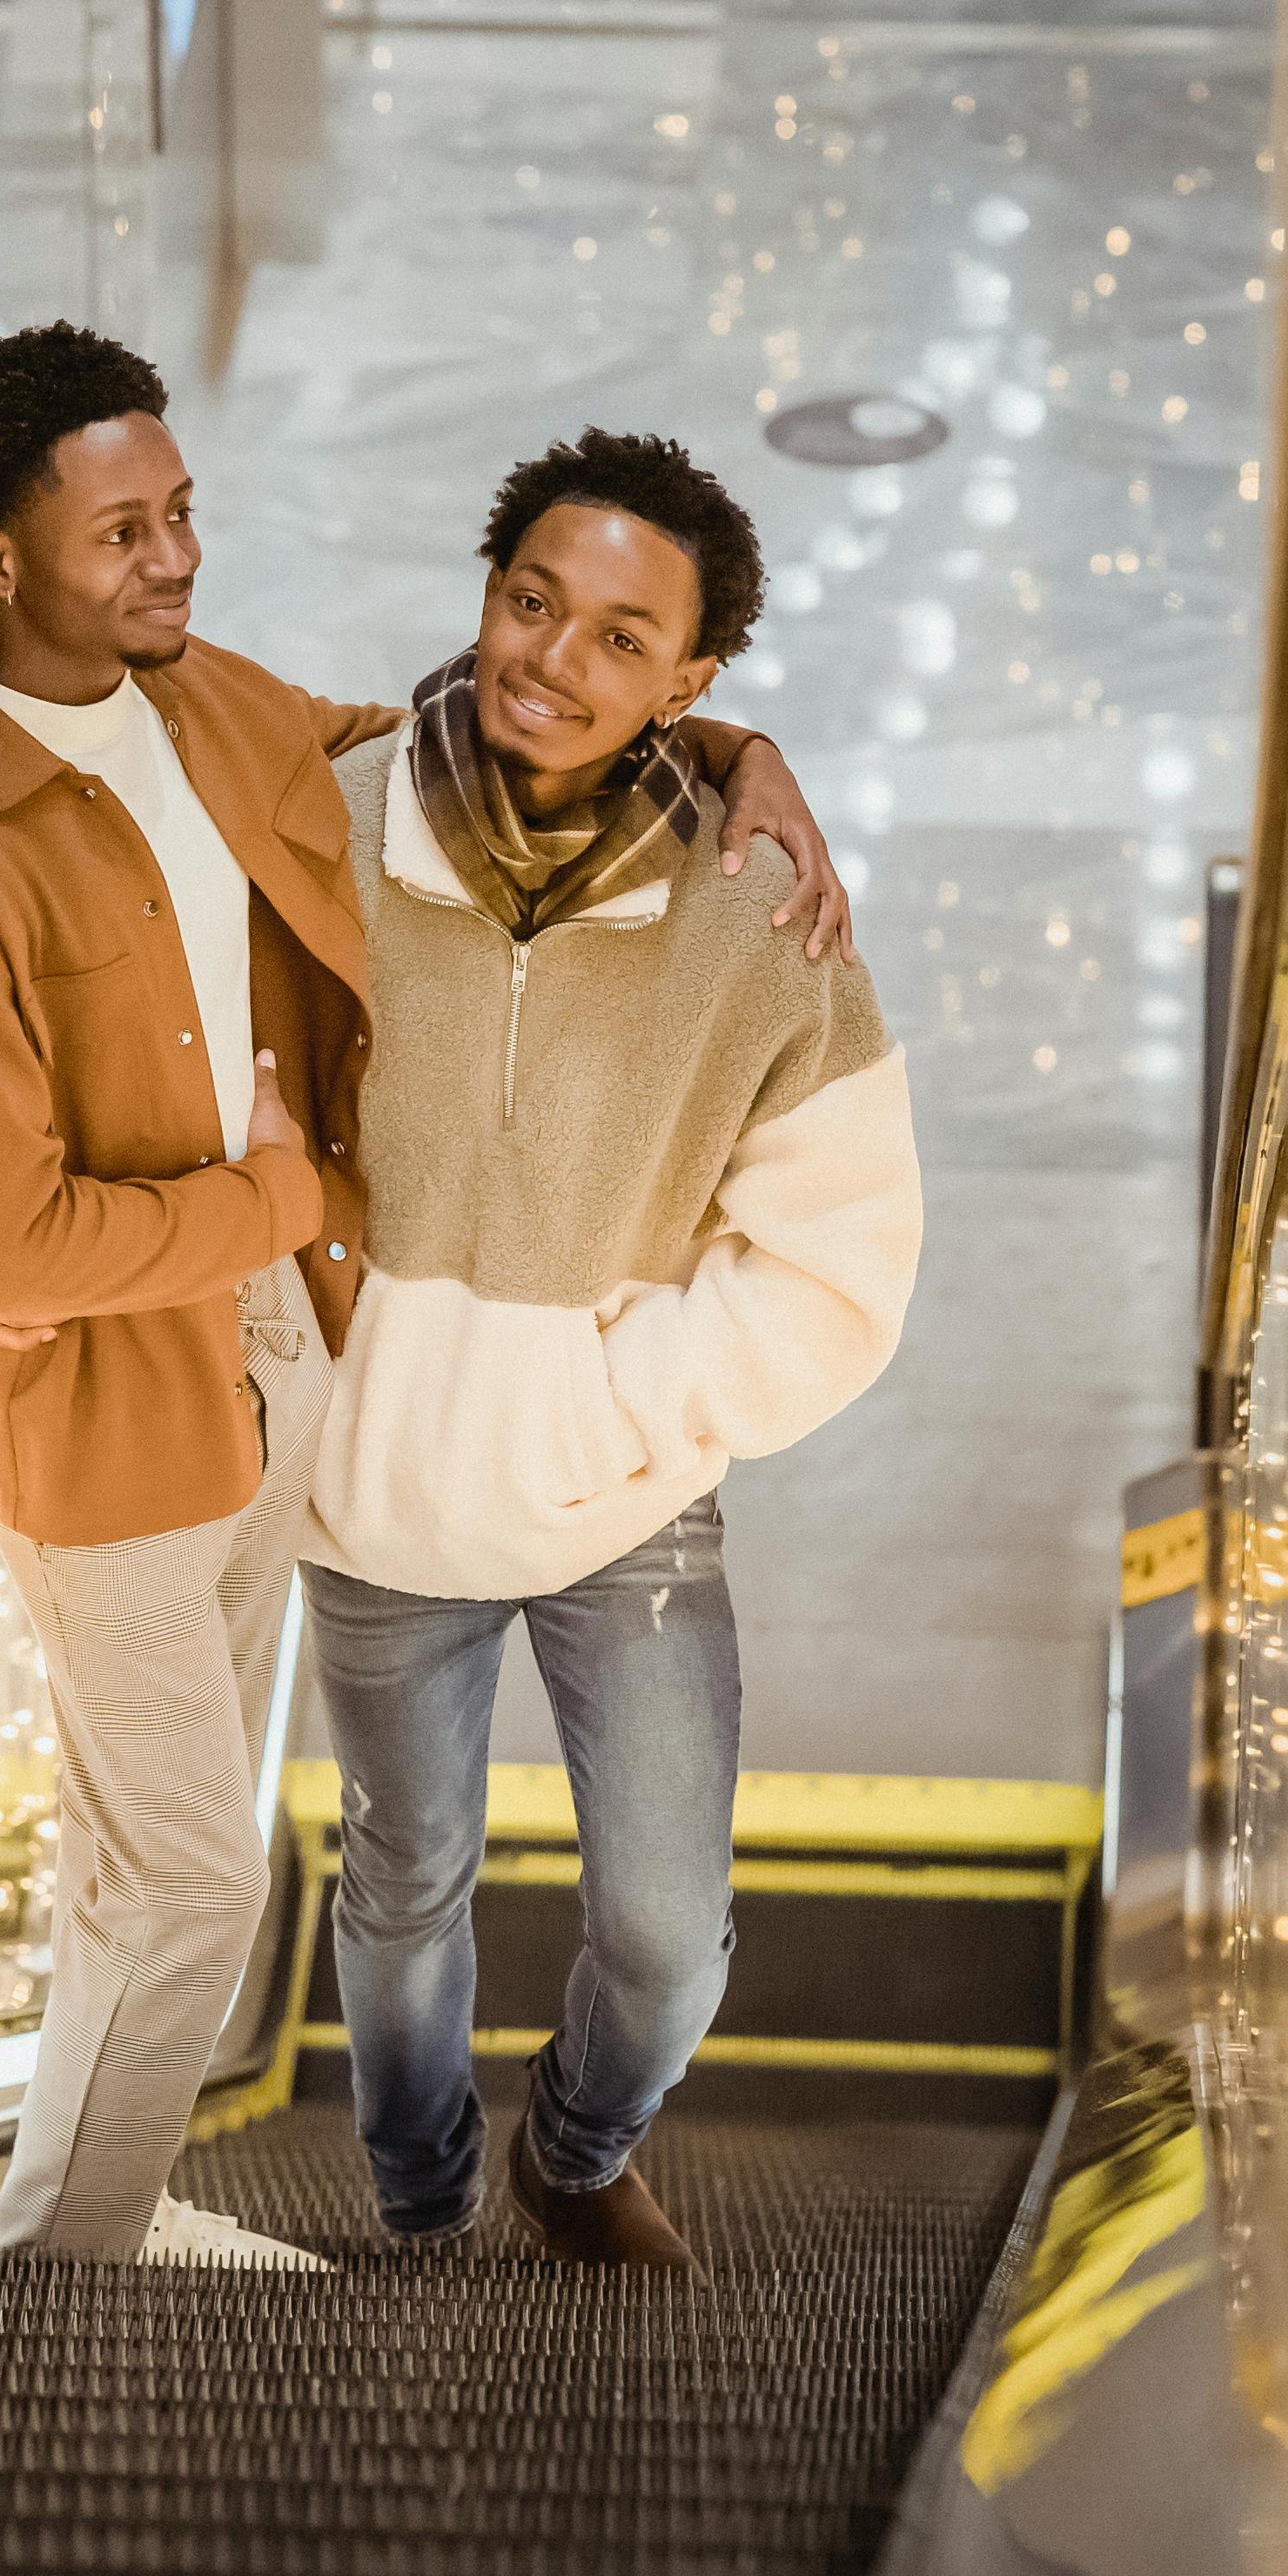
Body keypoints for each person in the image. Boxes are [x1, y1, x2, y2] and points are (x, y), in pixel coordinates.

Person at [0, 326, 842, 2267]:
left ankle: (108, 2207)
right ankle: (58, 2269)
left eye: (183, 512)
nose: (176, 558)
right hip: (100, 1419)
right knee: (203, 1890)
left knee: (137, 1855)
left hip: (270, 1379)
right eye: (124, 529)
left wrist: (745, 750)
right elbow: (13, 1249)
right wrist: (281, 1195)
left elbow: (475, 732)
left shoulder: (200, 701)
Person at [292, 432, 916, 2270]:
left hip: (625, 1501)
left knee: (668, 1925)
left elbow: (840, 1257)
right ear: (487, 591)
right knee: (402, 1884)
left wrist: (623, 1398)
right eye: (530, 600)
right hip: (375, 1497)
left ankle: (576, 2146)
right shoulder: (316, 823)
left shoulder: (760, 907)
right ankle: (419, 2203)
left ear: (696, 680)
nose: (553, 658)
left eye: (624, 639)